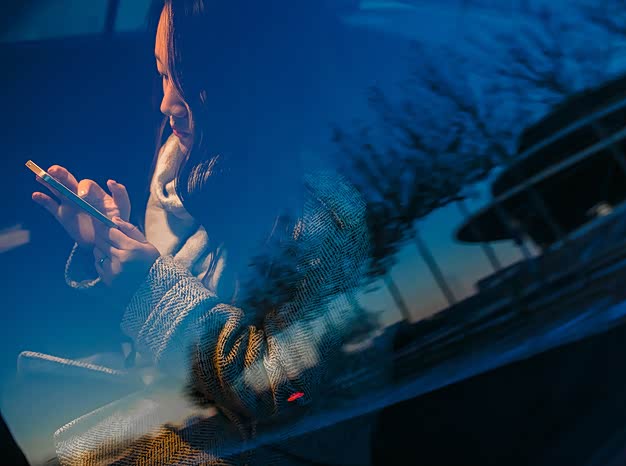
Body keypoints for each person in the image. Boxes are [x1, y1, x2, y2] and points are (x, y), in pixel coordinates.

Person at [26, 1, 379, 464]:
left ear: (249, 79)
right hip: (180, 407)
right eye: (163, 74)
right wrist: (109, 246)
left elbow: (284, 392)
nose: (167, 103)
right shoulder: (183, 168)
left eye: (189, 81)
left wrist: (150, 288)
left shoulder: (322, 217)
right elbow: (162, 329)